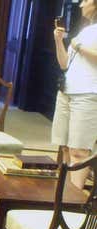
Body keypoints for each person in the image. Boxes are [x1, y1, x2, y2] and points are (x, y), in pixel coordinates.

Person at [52, 0, 97, 189]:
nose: (80, 5)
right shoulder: (84, 30)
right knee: (64, 147)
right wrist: (58, 41)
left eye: (86, 1)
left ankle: (73, 201)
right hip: (67, 91)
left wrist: (78, 46)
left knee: (79, 151)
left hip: (88, 94)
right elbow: (64, 64)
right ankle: (61, 196)